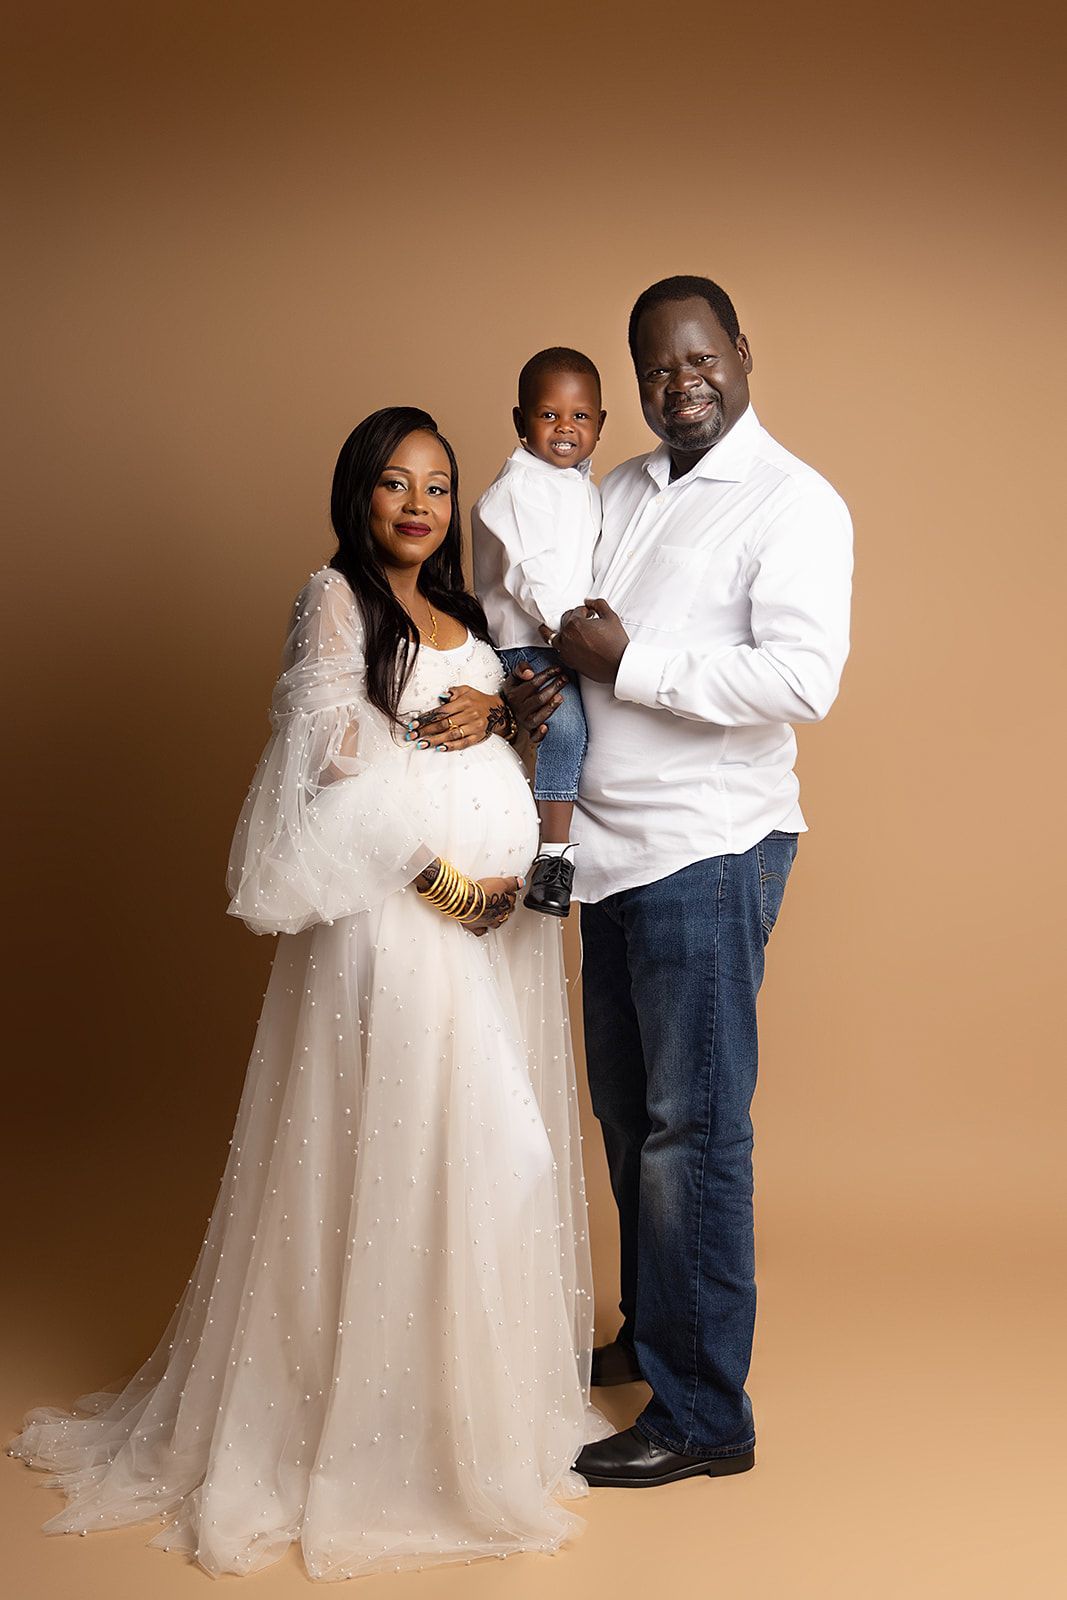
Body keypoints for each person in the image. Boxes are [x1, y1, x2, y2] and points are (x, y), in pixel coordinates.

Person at [7, 407, 605, 1577]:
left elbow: (490, 745)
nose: (420, 504)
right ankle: (369, 1432)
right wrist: (440, 875)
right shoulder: (332, 599)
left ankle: (462, 1407)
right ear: (358, 496)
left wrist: (503, 738)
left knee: (486, 1148)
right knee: (407, 1141)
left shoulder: (470, 616)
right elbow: (328, 754)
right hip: (395, 918)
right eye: (394, 483)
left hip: (486, 925)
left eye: (436, 484)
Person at [543, 276, 853, 1487]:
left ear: (739, 352)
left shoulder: (793, 502)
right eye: (657, 368)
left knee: (694, 1135)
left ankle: (705, 1413)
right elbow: (569, 632)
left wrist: (635, 661)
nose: (681, 384)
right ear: (636, 379)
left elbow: (801, 678)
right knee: (630, 1119)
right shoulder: (615, 488)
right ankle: (654, 1338)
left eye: (698, 358)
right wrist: (545, 684)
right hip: (608, 853)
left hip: (709, 849)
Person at [472, 348, 605, 918]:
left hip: (566, 634)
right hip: (533, 637)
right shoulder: (521, 488)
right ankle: (553, 855)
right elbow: (533, 574)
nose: (566, 428)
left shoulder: (575, 483)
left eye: (580, 417)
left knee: (587, 731)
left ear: (600, 425)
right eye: (549, 415)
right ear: (520, 422)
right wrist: (569, 630)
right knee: (564, 727)